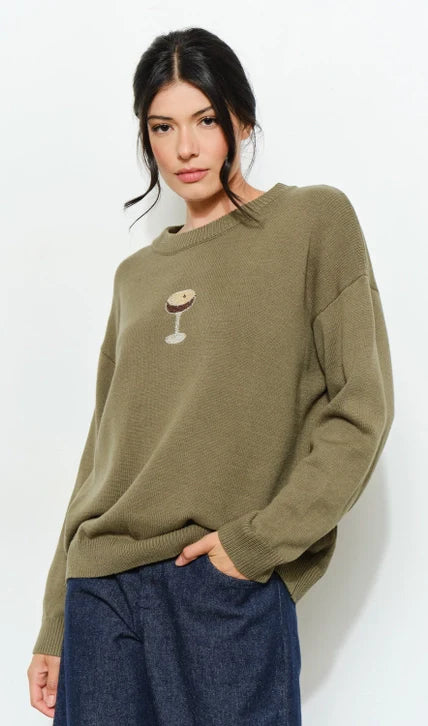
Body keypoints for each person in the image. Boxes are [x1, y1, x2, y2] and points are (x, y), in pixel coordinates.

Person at [27, 27, 394, 725]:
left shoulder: (313, 222)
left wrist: (255, 546)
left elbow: (361, 409)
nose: (185, 148)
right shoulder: (135, 277)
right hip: (100, 591)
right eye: (162, 127)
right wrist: (55, 620)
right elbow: (101, 454)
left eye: (204, 120)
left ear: (241, 121)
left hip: (218, 585)